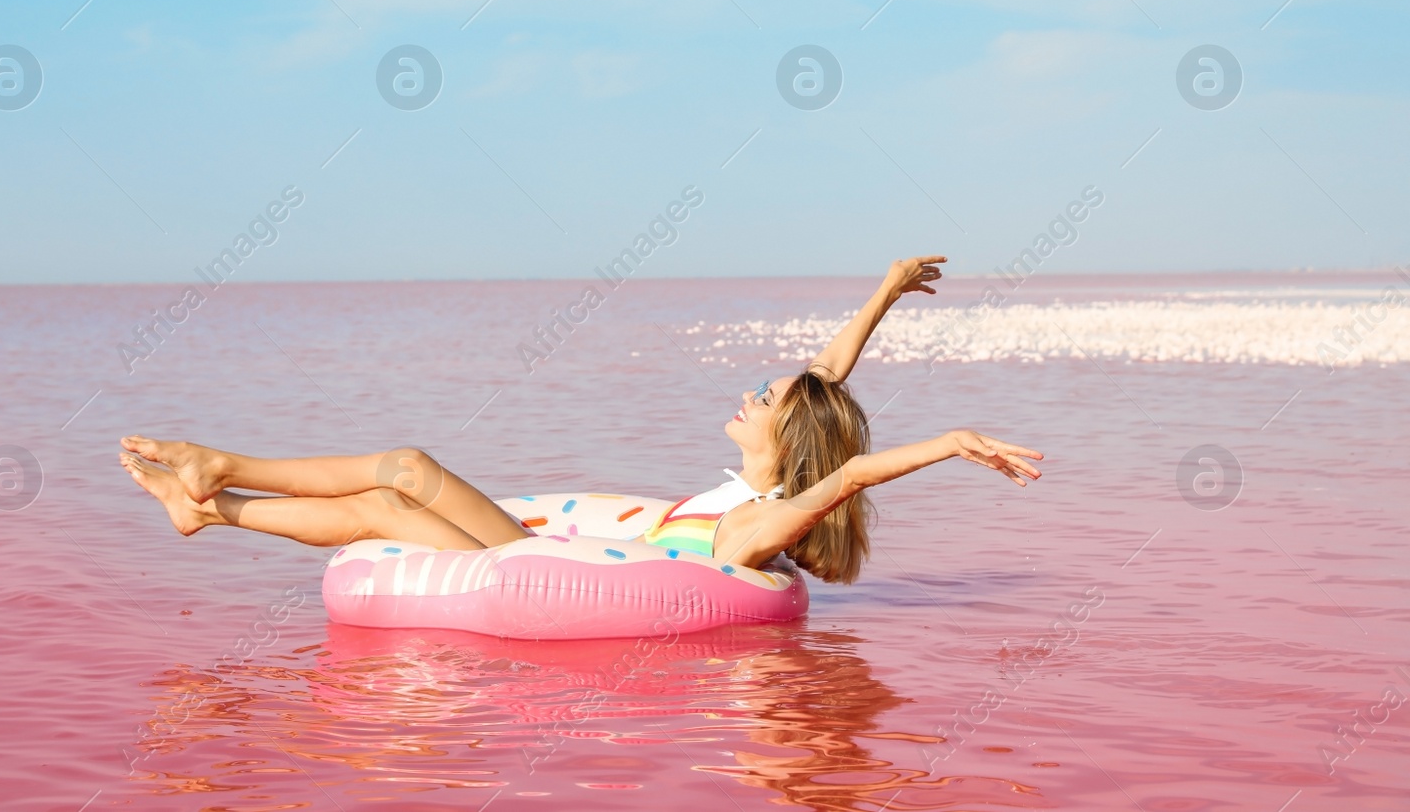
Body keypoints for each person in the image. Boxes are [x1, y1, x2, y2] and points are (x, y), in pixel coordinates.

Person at [121, 256, 1042, 582]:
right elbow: (822, 380)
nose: (752, 395)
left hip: (532, 564)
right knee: (394, 479)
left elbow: (843, 472)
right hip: (533, 538)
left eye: (764, 403)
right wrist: (883, 290)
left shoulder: (762, 524)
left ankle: (215, 480)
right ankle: (209, 492)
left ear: (785, 444)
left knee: (395, 490)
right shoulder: (758, 476)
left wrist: (951, 441)